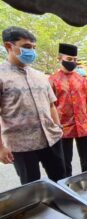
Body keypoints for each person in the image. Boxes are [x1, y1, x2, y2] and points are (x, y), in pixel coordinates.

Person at [0, 26, 66, 184]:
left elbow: (51, 104)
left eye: (34, 48)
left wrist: (58, 127)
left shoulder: (40, 76)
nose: (32, 52)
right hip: (22, 146)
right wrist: (1, 147)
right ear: (9, 46)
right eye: (27, 47)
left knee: (62, 182)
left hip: (51, 139)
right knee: (32, 189)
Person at [49, 43, 87, 177]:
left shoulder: (82, 80)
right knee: (66, 162)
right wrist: (55, 127)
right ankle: (68, 190)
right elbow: (50, 106)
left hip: (83, 125)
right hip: (63, 127)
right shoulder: (52, 80)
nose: (72, 62)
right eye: (69, 59)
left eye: (75, 60)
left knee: (86, 161)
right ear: (60, 58)